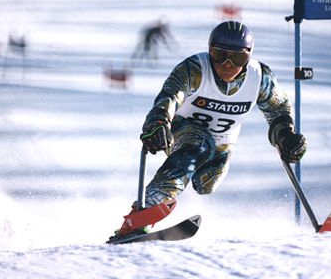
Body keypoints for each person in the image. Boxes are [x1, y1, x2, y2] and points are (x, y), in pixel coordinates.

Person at [122, 21, 307, 234]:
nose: (228, 64)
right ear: (210, 51)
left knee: (206, 184)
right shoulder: (195, 70)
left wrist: (285, 135)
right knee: (199, 145)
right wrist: (159, 121)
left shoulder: (259, 78)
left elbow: (279, 109)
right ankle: (146, 208)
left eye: (238, 58)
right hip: (182, 131)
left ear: (248, 57)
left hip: (223, 144)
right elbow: (170, 96)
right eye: (220, 55)